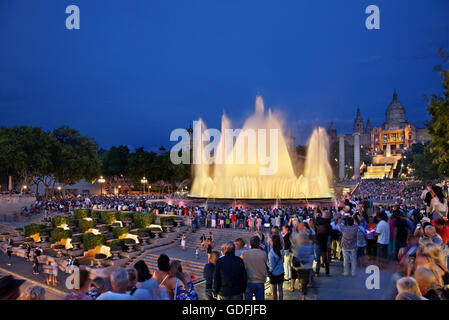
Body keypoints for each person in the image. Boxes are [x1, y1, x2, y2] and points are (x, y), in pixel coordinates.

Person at [241, 236, 267, 300]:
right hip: (260, 280)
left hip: (249, 280)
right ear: (259, 244)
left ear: (250, 244)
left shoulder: (245, 253)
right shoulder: (263, 254)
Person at [267, 234, 284, 300]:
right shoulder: (282, 249)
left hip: (274, 274)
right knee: (280, 290)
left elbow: (272, 265)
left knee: (274, 292)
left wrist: (267, 263)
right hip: (281, 272)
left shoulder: (272, 252)